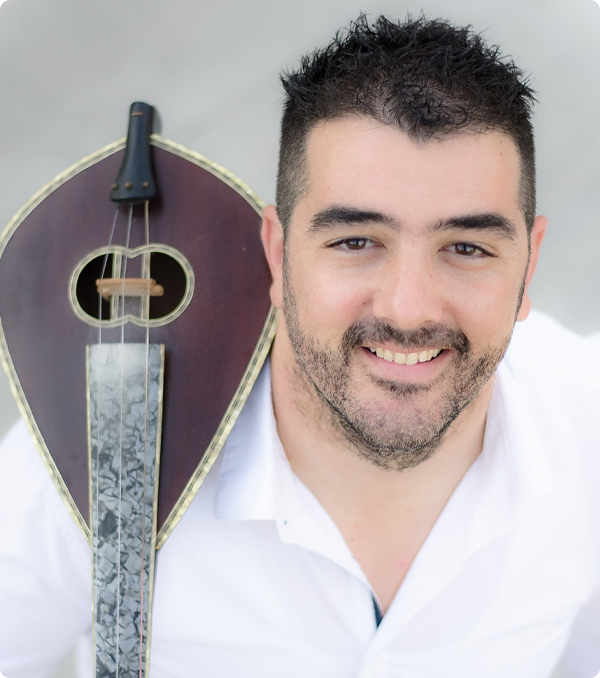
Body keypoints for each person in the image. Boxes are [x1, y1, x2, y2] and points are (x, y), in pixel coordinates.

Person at [1, 14, 599, 678]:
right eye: (355, 241)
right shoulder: (93, 455)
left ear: (528, 264)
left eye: (467, 248)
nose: (408, 308)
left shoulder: (588, 430)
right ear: (279, 253)